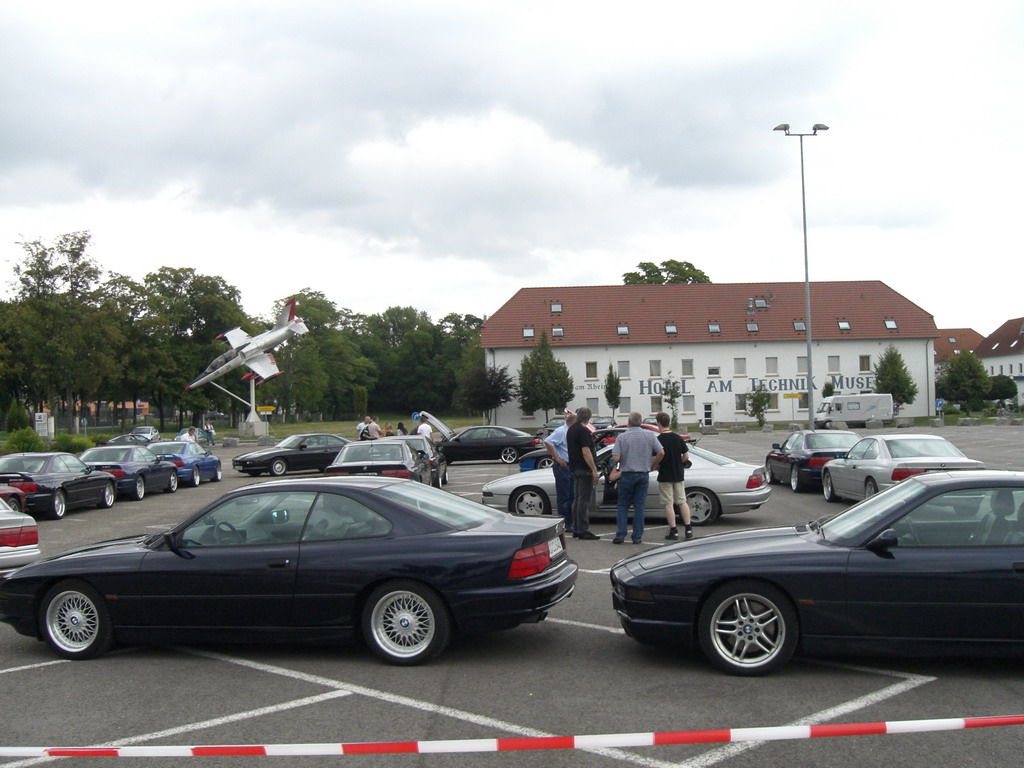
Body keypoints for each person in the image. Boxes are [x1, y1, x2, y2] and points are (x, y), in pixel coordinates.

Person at [611, 412, 664, 544]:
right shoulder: (649, 435)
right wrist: (654, 465)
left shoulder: (622, 437)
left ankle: (621, 535)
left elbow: (616, 458)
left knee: (623, 505)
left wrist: (623, 458)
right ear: (641, 422)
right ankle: (637, 536)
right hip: (643, 474)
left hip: (627, 474)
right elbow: (661, 452)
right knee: (639, 506)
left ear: (628, 423)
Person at [655, 411, 692, 540]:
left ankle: (673, 530)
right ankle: (688, 528)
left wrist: (655, 465)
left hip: (665, 474)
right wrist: (679, 462)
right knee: (682, 501)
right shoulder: (677, 438)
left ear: (659, 423)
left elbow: (656, 456)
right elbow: (686, 456)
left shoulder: (658, 439)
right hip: (678, 473)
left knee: (669, 503)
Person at [566, 407, 600, 540]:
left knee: (577, 499)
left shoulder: (571, 430)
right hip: (584, 469)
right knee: (583, 501)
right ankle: (583, 530)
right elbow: (586, 452)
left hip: (574, 468)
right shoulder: (583, 431)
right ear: (588, 418)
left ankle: (576, 528)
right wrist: (594, 470)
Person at [544, 412, 577, 534]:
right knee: (564, 497)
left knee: (571, 496)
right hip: (562, 467)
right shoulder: (561, 431)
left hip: (570, 466)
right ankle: (565, 524)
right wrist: (556, 458)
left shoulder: (571, 431)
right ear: (573, 422)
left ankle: (570, 522)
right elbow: (548, 442)